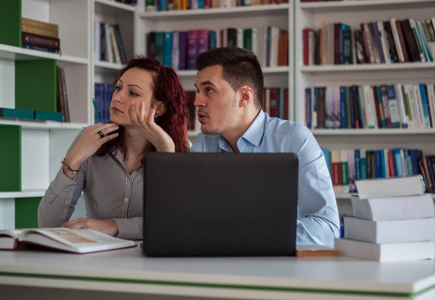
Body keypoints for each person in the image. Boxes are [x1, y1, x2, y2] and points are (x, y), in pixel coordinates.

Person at [191, 47, 340, 246]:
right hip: (218, 264)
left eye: (209, 90)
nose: (197, 101)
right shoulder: (203, 144)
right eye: (198, 90)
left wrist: (251, 239)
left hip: (281, 268)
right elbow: (190, 219)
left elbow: (327, 226)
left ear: (245, 96)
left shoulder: (293, 140)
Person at [38, 56, 190, 240]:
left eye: (133, 93)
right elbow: (48, 225)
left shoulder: (181, 152)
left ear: (158, 107)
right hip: (99, 261)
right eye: (118, 88)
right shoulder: (90, 141)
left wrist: (114, 226)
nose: (117, 97)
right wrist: (73, 160)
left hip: (156, 263)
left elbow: (178, 223)